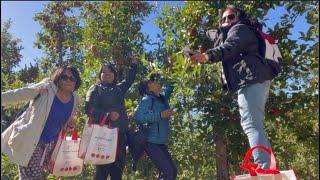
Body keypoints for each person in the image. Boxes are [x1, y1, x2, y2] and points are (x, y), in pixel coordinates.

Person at [189, 5, 275, 169]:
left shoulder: (240, 29)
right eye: (223, 19)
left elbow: (229, 46)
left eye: (231, 17)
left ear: (239, 18)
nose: (227, 21)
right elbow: (219, 37)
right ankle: (267, 166)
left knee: (251, 124)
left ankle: (264, 167)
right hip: (255, 79)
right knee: (254, 124)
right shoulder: (236, 31)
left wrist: (206, 55)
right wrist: (206, 29)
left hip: (252, 80)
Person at [1, 65, 82, 179]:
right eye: (64, 77)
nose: (68, 80)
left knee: (37, 177)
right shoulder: (46, 88)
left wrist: (69, 126)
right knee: (33, 177)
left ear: (76, 82)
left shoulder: (75, 99)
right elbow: (20, 94)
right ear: (58, 77)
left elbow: (62, 124)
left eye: (72, 78)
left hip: (50, 145)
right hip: (32, 140)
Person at [84, 56, 137, 180]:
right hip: (104, 136)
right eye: (104, 72)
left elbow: (129, 80)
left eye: (110, 71)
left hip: (120, 136)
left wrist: (133, 66)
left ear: (114, 74)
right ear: (100, 75)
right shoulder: (96, 89)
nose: (107, 74)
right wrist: (107, 115)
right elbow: (89, 109)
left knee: (117, 173)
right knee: (102, 172)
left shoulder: (118, 89)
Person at [135, 74, 177, 180]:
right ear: (148, 89)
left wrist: (172, 68)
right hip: (151, 142)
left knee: (172, 171)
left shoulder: (162, 98)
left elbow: (171, 85)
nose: (154, 82)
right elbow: (139, 117)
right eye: (151, 82)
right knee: (169, 172)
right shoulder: (148, 99)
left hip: (160, 143)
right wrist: (160, 115)